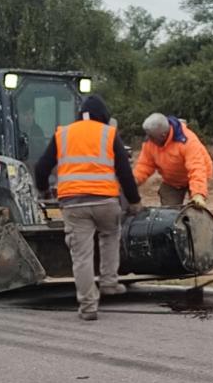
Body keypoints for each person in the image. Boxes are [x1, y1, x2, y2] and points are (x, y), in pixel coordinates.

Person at [34, 95, 143, 321]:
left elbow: (41, 167)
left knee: (82, 256)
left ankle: (88, 306)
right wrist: (134, 200)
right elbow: (125, 172)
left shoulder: (62, 134)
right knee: (111, 235)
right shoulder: (109, 134)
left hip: (74, 205)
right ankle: (109, 283)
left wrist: (43, 191)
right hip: (106, 202)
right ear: (103, 116)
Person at [134, 113, 213, 207]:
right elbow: (145, 165)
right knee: (168, 211)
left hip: (196, 176)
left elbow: (197, 168)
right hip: (173, 180)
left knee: (196, 208)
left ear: (163, 135)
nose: (148, 139)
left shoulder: (187, 141)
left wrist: (198, 194)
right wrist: (133, 180)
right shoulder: (150, 142)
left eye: (151, 137)